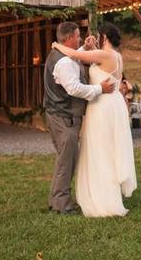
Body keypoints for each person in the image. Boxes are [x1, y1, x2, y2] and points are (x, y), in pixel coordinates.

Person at [53, 22, 137, 217]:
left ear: (104, 37)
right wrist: (91, 47)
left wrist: (57, 45)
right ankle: (107, 194)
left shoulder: (104, 55)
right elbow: (92, 59)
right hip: (112, 104)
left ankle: (103, 199)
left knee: (100, 150)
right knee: (108, 149)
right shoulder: (115, 56)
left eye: (99, 36)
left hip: (102, 106)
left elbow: (74, 55)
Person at [42, 21, 117, 215]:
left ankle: (57, 199)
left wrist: (85, 48)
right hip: (63, 116)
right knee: (66, 160)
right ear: (68, 39)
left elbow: (76, 57)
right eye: (77, 36)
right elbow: (74, 88)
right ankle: (61, 204)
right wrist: (101, 89)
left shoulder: (64, 55)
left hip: (60, 114)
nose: (80, 38)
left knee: (67, 158)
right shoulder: (64, 62)